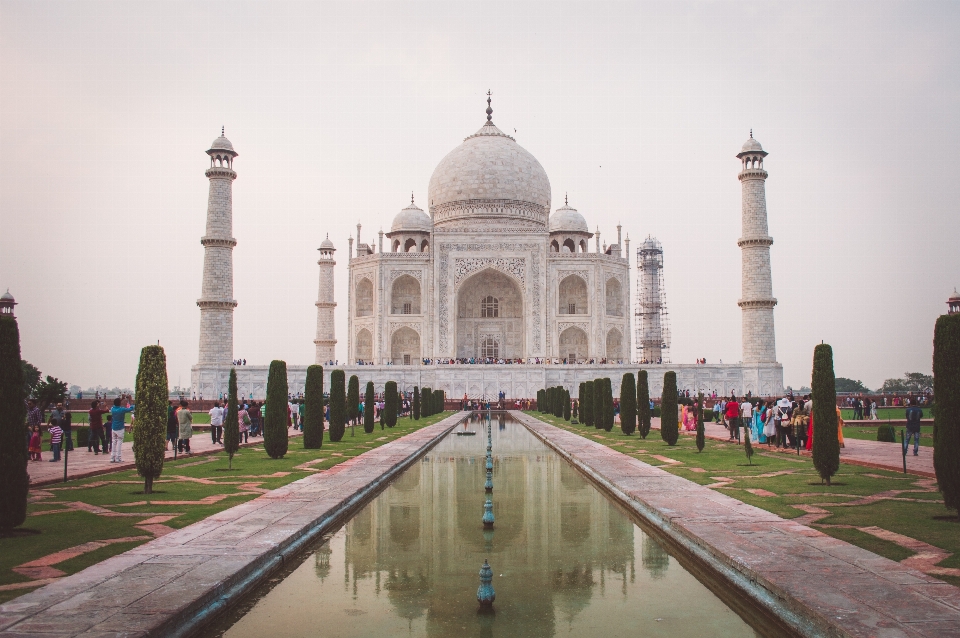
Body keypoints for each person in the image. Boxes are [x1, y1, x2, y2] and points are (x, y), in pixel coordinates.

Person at [110, 397, 135, 463]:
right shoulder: (121, 410)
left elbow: (116, 403)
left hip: (114, 427)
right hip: (120, 428)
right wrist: (130, 400)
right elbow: (131, 408)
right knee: (119, 443)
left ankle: (112, 458)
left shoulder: (112, 409)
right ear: (120, 403)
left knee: (114, 442)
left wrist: (122, 398)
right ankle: (118, 458)